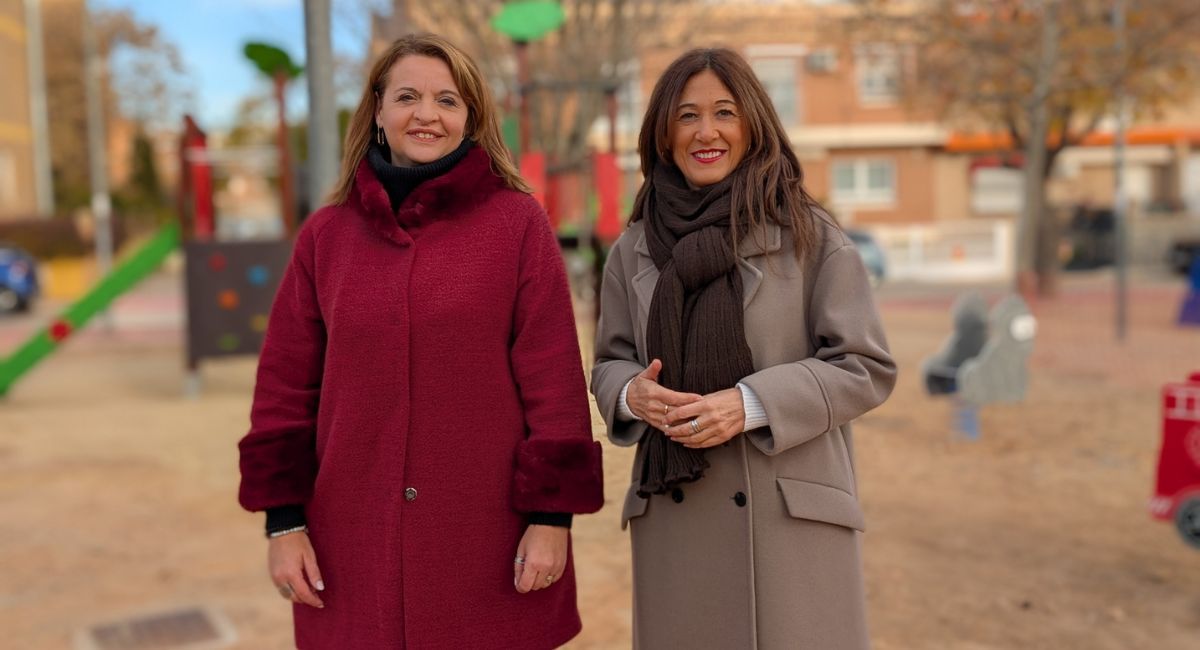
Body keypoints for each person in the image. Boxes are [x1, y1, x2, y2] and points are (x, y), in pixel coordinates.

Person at [238, 33, 604, 649]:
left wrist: (551, 518)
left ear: (471, 118)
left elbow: (554, 381)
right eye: (407, 96)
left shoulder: (518, 224)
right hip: (350, 539)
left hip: (489, 537)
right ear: (378, 112)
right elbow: (284, 386)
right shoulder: (325, 237)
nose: (426, 114)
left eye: (447, 100)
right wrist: (283, 524)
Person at [591, 48, 897, 649]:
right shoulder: (633, 249)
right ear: (663, 133)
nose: (706, 132)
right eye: (687, 115)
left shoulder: (810, 234)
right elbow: (609, 360)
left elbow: (864, 365)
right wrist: (631, 394)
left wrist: (750, 404)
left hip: (789, 529)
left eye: (724, 112)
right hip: (677, 524)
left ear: (753, 124)